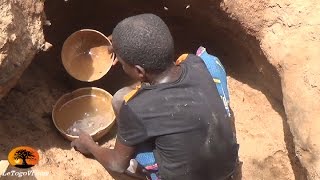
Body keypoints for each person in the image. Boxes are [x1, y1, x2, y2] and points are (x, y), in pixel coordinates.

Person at [71, 13, 239, 180]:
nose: (120, 65)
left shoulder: (137, 109)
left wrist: (90, 145)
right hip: (227, 167)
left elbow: (117, 163)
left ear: (138, 71)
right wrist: (123, 43)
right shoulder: (195, 62)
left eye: (122, 63)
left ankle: (142, 171)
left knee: (123, 108)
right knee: (123, 98)